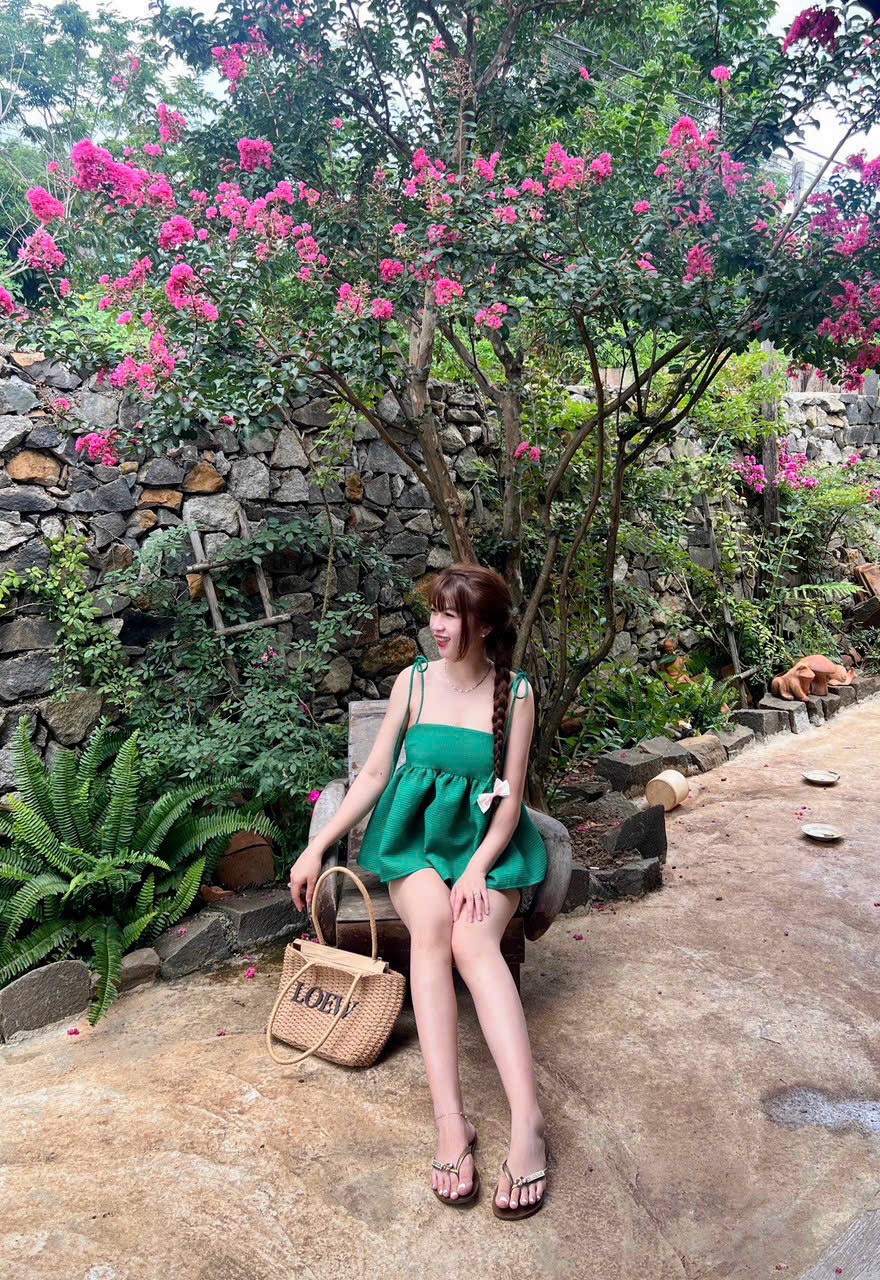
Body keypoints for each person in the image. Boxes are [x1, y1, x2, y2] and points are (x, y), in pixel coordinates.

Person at [289, 562, 550, 1219]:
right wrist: (317, 845)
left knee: (474, 943)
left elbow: (510, 800)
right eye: (436, 610)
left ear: (483, 626)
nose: (438, 625)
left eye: (452, 615)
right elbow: (376, 774)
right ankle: (450, 1123)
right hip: (413, 842)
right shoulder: (412, 681)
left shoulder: (515, 692)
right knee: (432, 931)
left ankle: (528, 1123)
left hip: (487, 846)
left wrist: (477, 867)